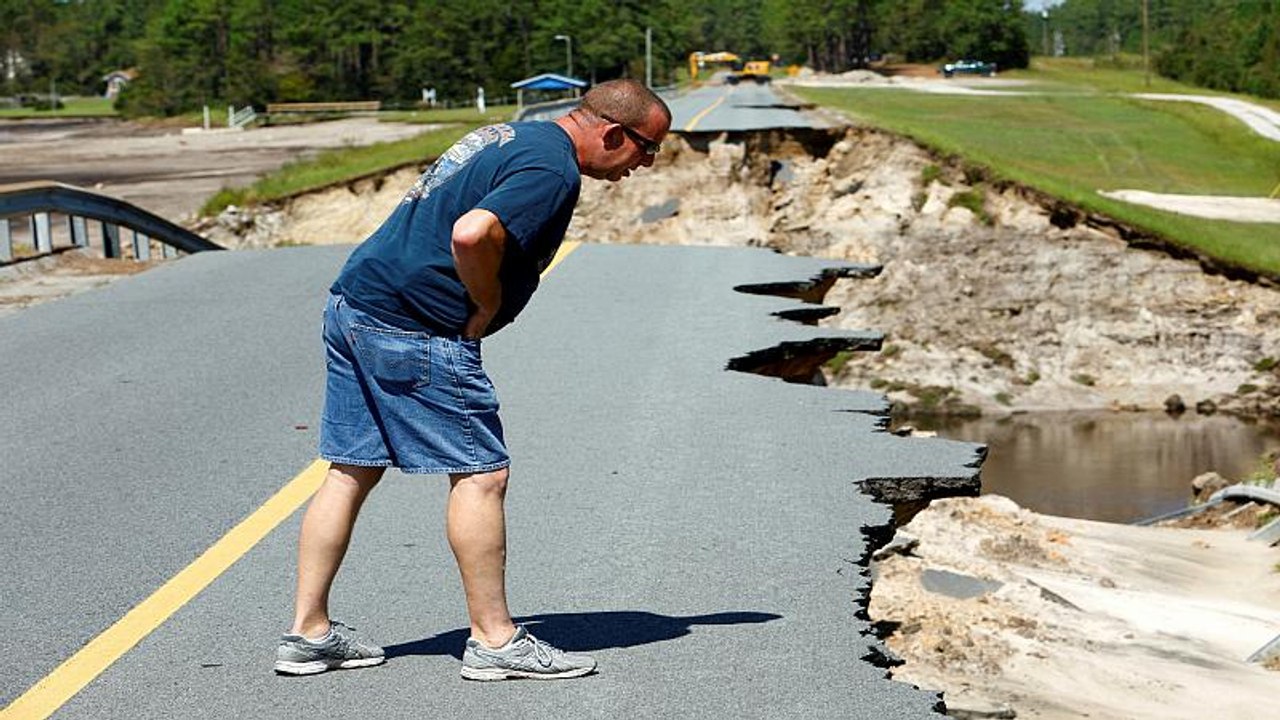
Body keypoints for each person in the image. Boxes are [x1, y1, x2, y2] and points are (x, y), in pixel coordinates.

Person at [273, 79, 672, 681]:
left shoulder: (518, 135)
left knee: (351, 466)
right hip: (416, 327)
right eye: (648, 150)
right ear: (614, 133)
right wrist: (484, 302)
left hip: (356, 304)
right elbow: (471, 232)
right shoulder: (552, 169)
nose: (644, 165)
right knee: (482, 474)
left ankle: (308, 633)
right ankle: (495, 640)